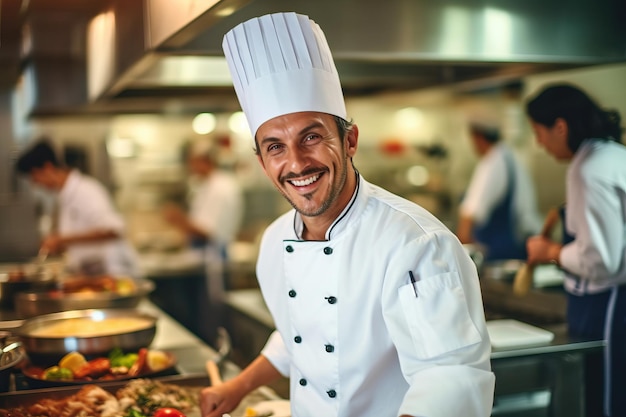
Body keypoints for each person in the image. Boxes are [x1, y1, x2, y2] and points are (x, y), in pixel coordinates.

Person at [200, 12, 495, 417]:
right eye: (275, 147)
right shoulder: (273, 241)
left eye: (312, 137)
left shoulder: (416, 243)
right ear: (261, 160)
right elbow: (298, 338)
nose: (297, 163)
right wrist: (238, 387)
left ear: (350, 139)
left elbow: (450, 376)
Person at [525, 83, 625, 417]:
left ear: (561, 126)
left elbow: (602, 261)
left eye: (539, 132)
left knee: (609, 403)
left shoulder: (589, 169)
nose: (539, 143)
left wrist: (551, 252)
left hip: (612, 304)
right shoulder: (612, 154)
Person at [15, 139, 139, 278]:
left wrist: (61, 239)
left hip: (115, 275)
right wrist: (59, 244)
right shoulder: (65, 196)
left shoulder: (86, 190)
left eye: (35, 177)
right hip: (93, 275)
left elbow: (113, 230)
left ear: (48, 167)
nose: (36, 185)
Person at [163, 137, 243, 342]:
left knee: (213, 319)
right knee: (205, 316)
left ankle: (219, 354)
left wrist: (179, 220)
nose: (190, 167)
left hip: (213, 261)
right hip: (203, 259)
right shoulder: (205, 185)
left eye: (192, 161)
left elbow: (208, 231)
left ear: (203, 160)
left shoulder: (221, 187)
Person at [456, 122, 542, 261]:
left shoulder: (493, 162)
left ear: (478, 138)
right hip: (520, 242)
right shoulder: (509, 156)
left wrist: (460, 253)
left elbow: (471, 213)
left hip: (501, 250)